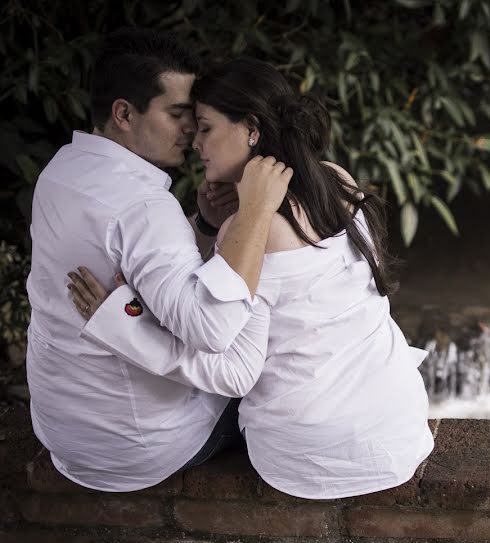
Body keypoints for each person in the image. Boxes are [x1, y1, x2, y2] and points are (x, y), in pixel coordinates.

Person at [67, 58, 434, 499]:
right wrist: (207, 224)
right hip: (397, 425)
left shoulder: (252, 227)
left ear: (252, 130)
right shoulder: (332, 179)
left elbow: (232, 373)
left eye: (205, 127)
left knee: (177, 411)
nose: (194, 142)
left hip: (313, 455)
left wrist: (119, 324)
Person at [26, 29, 291, 492]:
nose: (190, 129)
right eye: (176, 114)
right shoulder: (145, 207)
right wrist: (253, 212)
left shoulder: (60, 171)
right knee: (281, 374)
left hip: (63, 433)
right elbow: (213, 331)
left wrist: (206, 228)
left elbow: (150, 272)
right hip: (139, 445)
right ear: (124, 113)